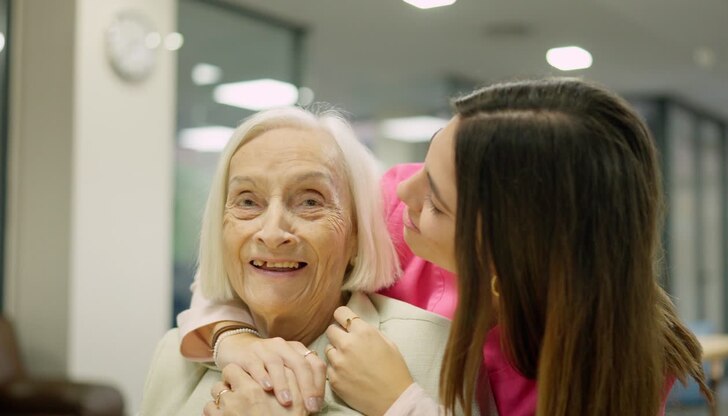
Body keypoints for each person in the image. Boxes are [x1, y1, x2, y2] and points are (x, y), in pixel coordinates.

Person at [179, 78, 712, 415]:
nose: (399, 189)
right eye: (424, 163)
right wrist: (237, 341)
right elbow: (229, 274)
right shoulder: (394, 215)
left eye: (435, 200)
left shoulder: (618, 369)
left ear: (502, 256)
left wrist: (400, 403)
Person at [140, 107, 491, 415]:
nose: (272, 232)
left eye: (310, 202)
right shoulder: (177, 352)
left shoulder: (438, 351)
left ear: (357, 234)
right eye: (248, 202)